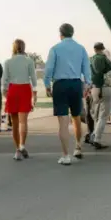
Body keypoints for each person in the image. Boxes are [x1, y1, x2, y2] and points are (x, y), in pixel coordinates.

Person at [44, 23, 91, 165]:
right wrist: (87, 84)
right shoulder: (81, 48)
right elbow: (86, 69)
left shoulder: (55, 49)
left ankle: (65, 155)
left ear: (61, 33)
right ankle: (78, 147)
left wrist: (47, 85)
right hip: (76, 84)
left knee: (63, 122)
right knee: (76, 117)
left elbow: (49, 69)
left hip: (60, 84)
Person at [2, 39, 38, 160]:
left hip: (13, 89)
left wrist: (5, 91)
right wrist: (35, 93)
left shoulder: (8, 61)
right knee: (23, 121)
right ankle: (22, 145)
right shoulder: (29, 61)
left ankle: (17, 150)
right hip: (24, 89)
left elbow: (4, 78)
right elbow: (33, 78)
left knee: (15, 123)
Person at [89, 42, 111, 150]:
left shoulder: (91, 59)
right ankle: (97, 139)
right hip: (104, 87)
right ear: (102, 49)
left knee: (96, 114)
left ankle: (93, 134)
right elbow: (109, 67)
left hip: (95, 87)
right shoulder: (101, 58)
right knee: (103, 115)